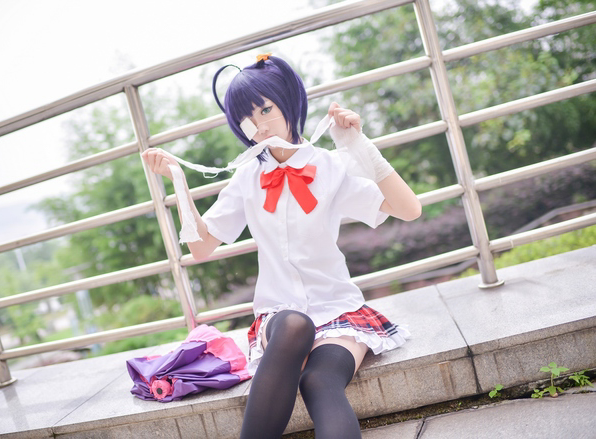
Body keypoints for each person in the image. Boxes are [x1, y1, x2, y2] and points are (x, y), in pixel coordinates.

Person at [141, 54, 421, 439]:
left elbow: (408, 209)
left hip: (338, 310)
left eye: (266, 109)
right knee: (294, 324)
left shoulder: (329, 166)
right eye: (247, 118)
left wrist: (359, 145)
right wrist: (178, 180)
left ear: (288, 102)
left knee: (319, 381)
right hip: (279, 314)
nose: (259, 124)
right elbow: (201, 248)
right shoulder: (247, 178)